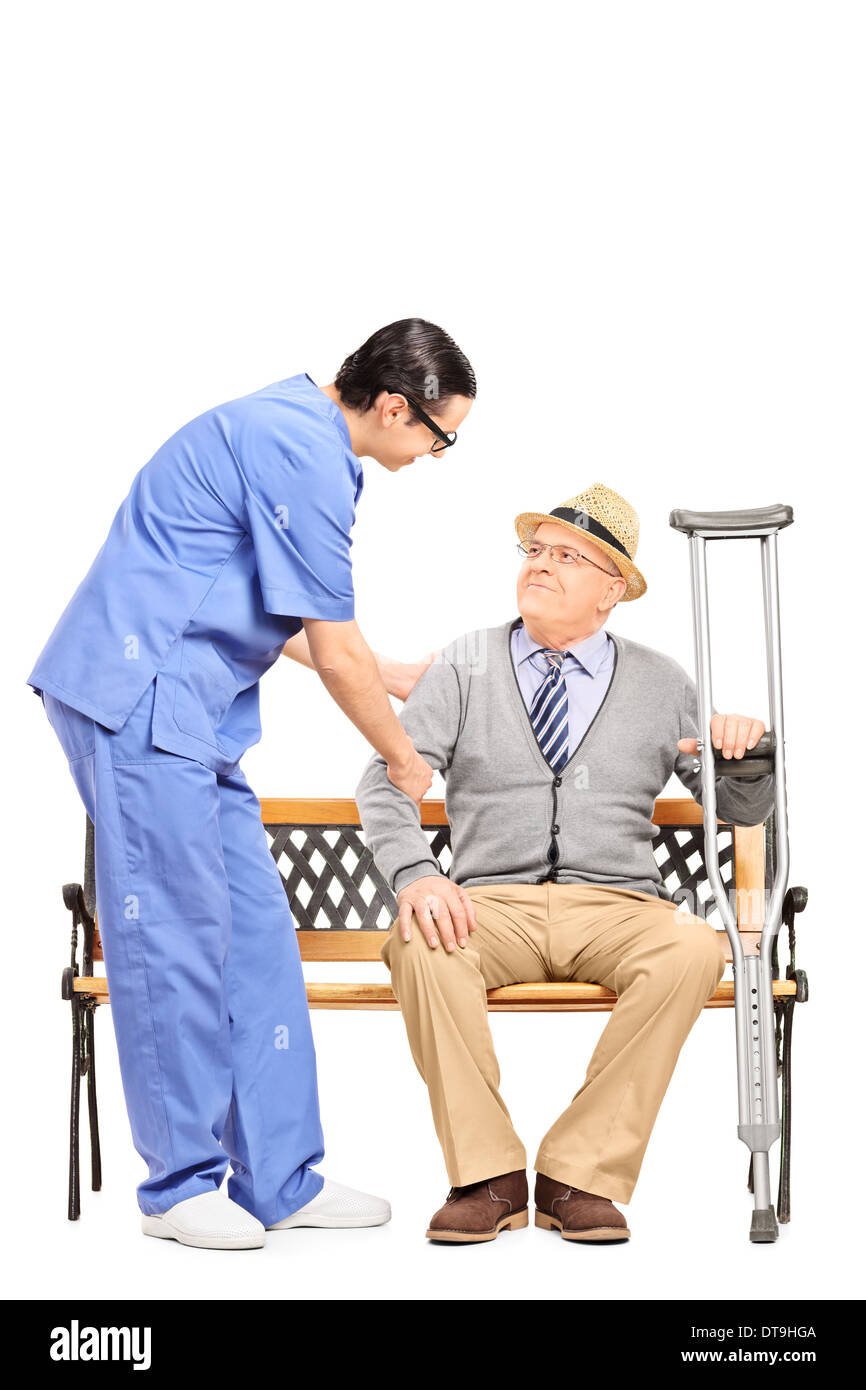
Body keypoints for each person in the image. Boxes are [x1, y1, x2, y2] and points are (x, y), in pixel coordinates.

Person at [27, 318, 475, 1250]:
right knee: (176, 940)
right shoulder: (297, 449)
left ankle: (278, 1178)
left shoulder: (301, 437)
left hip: (192, 718)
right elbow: (334, 642)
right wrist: (400, 754)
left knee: (259, 936)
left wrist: (390, 673)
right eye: (442, 436)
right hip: (138, 697)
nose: (439, 454)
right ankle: (180, 1187)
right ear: (396, 407)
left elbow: (301, 621)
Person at [355, 482, 773, 1244]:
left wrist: (744, 755)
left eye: (567, 556)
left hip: (619, 908)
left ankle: (578, 1175)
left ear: (612, 590)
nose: (541, 564)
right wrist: (417, 873)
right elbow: (387, 782)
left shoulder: (662, 681)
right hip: (489, 905)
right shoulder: (462, 665)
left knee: (692, 947)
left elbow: (736, 810)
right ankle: (488, 1177)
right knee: (421, 941)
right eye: (536, 550)